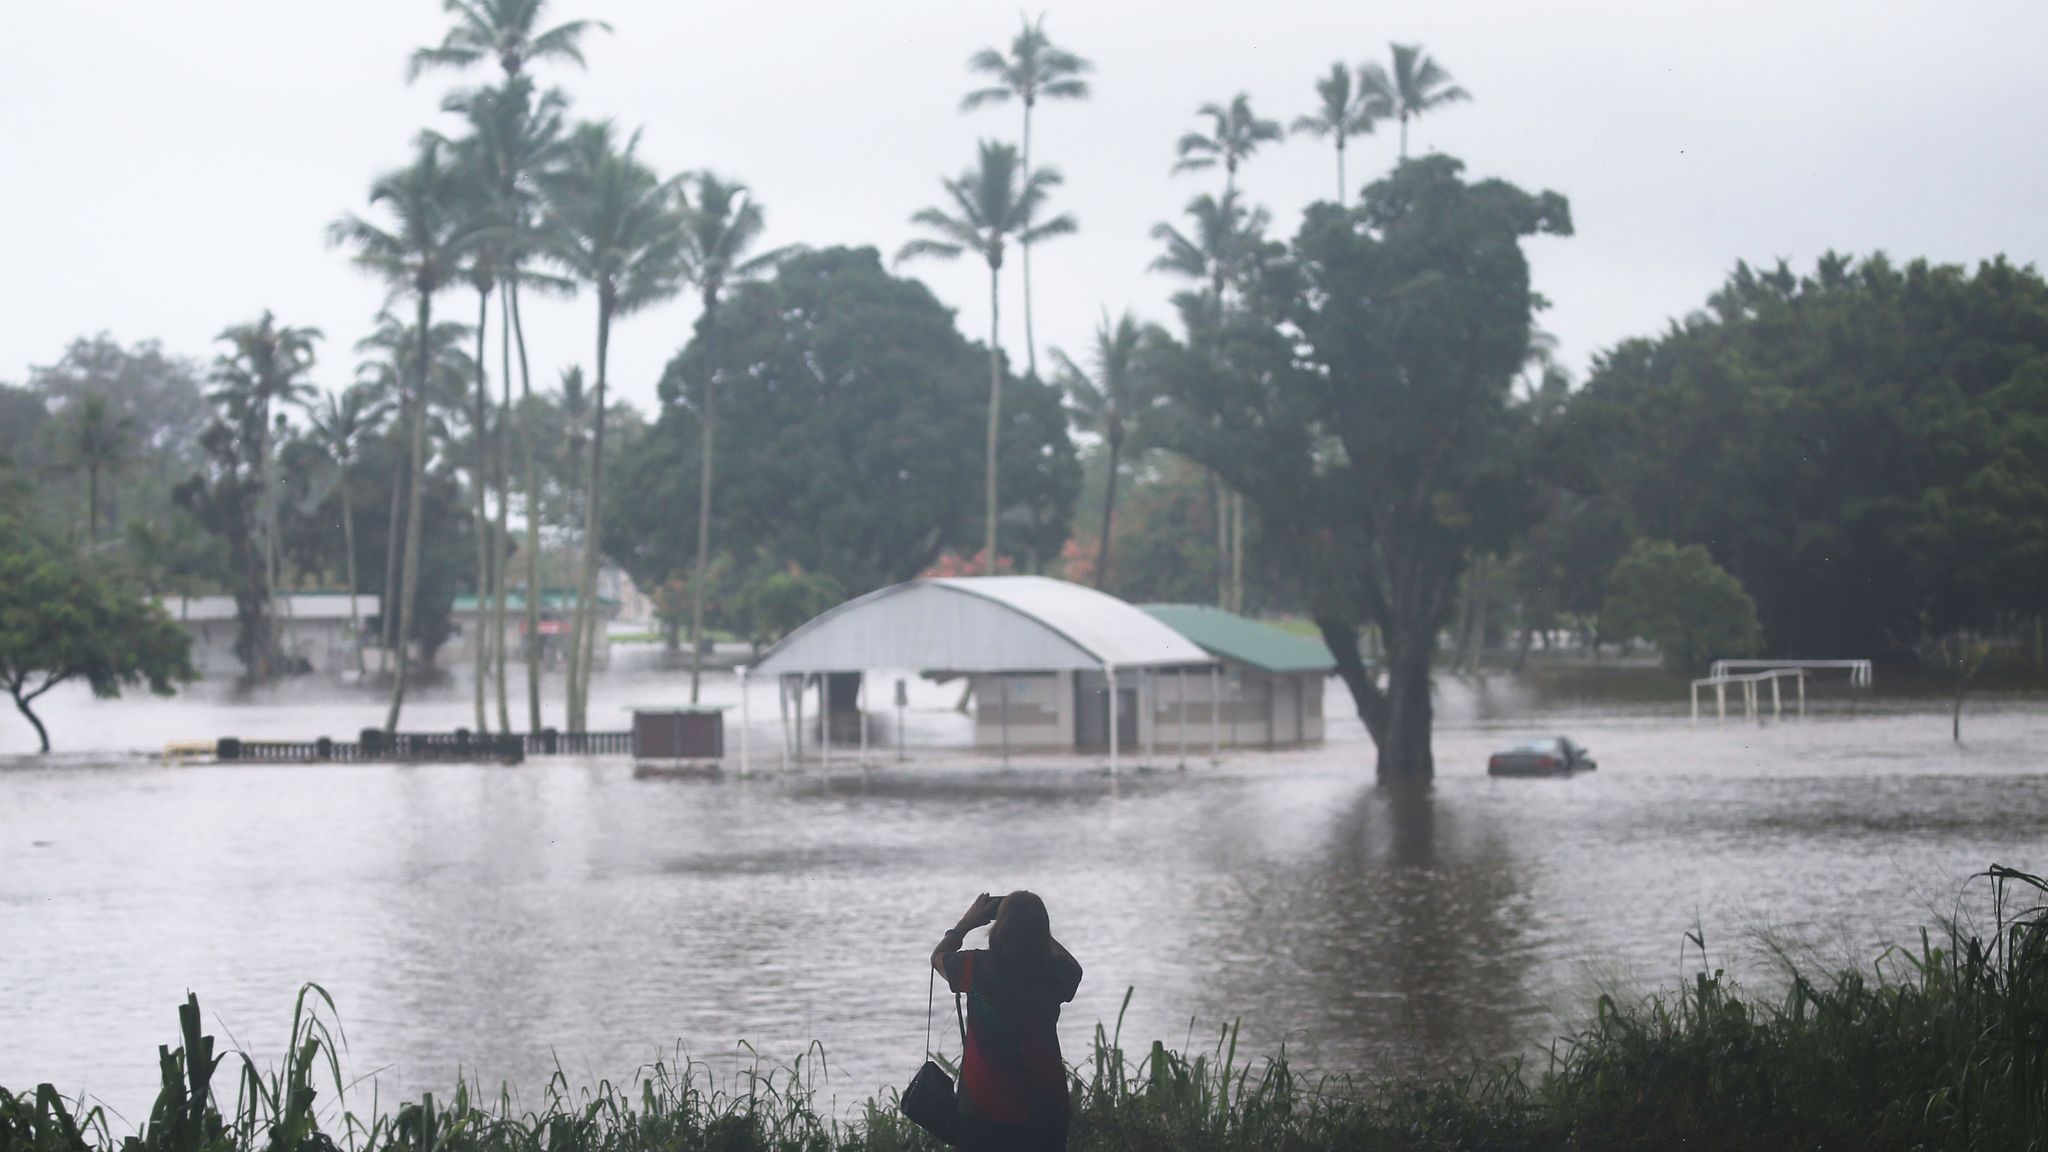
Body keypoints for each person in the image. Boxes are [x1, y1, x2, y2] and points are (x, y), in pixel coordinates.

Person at [931, 890, 1084, 1151]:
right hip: (1045, 1110)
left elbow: (937, 958)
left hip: (981, 1110)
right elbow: (1073, 966)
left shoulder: (974, 966)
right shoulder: (1056, 973)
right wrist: (1033, 927)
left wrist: (967, 922)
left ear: (1000, 929)